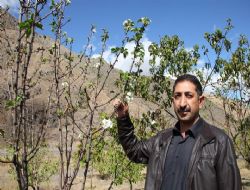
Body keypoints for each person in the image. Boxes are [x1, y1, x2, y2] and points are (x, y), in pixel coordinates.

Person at [113, 74, 242, 190]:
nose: (182, 103)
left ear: (201, 101)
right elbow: (134, 150)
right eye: (177, 96)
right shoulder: (161, 140)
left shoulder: (218, 141)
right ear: (172, 101)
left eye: (189, 95)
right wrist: (123, 118)